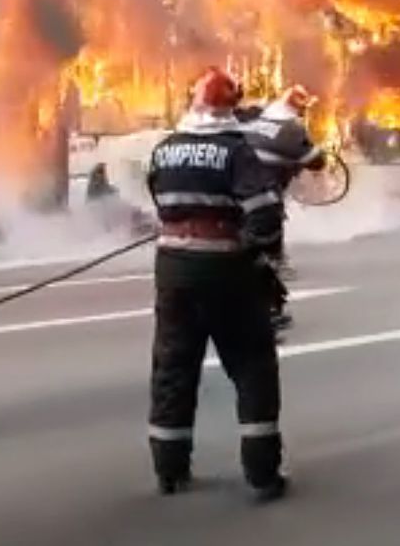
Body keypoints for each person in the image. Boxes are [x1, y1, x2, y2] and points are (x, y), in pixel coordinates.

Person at [145, 66, 289, 502]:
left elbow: (159, 197)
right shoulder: (236, 151)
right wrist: (261, 251)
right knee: (252, 366)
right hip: (227, 272)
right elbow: (264, 213)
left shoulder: (165, 148)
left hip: (172, 269)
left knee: (173, 368)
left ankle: (169, 470)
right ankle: (262, 474)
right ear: (231, 106)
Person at [239, 84, 327, 330]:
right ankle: (269, 291)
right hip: (262, 192)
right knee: (268, 232)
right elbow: (316, 161)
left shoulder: (255, 119)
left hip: (237, 185)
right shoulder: (291, 129)